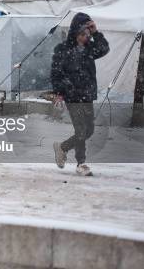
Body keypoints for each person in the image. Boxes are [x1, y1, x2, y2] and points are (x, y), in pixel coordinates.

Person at [51, 12, 110, 176]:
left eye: (88, 34)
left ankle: (62, 148)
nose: (86, 37)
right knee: (81, 129)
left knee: (89, 130)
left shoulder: (90, 49)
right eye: (83, 33)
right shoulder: (63, 49)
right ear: (75, 32)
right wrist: (59, 92)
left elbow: (104, 49)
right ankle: (81, 163)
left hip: (87, 95)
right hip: (72, 96)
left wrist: (96, 33)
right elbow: (56, 73)